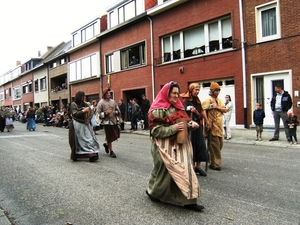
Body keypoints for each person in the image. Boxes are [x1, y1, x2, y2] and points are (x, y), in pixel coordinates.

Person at [146, 81, 204, 212]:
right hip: (162, 146)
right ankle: (154, 193)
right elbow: (155, 131)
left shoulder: (179, 107)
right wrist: (173, 128)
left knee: (186, 169)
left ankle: (189, 200)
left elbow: (183, 123)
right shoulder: (157, 110)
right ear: (167, 93)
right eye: (174, 93)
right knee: (164, 171)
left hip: (180, 145)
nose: (176, 96)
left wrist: (191, 125)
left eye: (178, 93)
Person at [180, 83, 210, 177]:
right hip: (189, 127)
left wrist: (196, 112)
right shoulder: (185, 101)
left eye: (198, 90)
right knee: (191, 146)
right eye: (196, 90)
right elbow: (182, 112)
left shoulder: (197, 101)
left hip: (198, 126)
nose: (197, 91)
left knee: (200, 145)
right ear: (191, 90)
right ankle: (190, 167)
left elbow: (200, 115)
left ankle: (198, 167)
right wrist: (188, 110)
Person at [202, 82, 227, 171]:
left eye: (218, 90)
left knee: (220, 145)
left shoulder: (220, 100)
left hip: (219, 127)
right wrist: (207, 122)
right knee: (215, 146)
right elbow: (203, 110)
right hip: (211, 126)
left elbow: (225, 109)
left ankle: (211, 160)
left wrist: (217, 107)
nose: (217, 92)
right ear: (212, 91)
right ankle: (216, 164)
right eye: (216, 90)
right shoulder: (207, 99)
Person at [68, 91, 99, 162]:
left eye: (84, 97)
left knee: (89, 138)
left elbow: (90, 112)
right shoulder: (74, 104)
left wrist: (89, 119)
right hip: (77, 124)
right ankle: (82, 154)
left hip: (85, 124)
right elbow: (74, 114)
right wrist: (83, 111)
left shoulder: (85, 104)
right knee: (79, 140)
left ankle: (92, 153)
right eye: (82, 96)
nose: (84, 98)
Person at [97, 88, 120, 158]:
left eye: (109, 93)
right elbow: (98, 114)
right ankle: (111, 151)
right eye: (107, 93)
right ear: (104, 94)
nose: (109, 94)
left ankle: (106, 145)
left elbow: (118, 110)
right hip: (106, 122)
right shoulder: (101, 103)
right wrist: (105, 113)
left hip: (114, 121)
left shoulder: (113, 102)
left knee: (116, 135)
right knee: (109, 137)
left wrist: (117, 112)